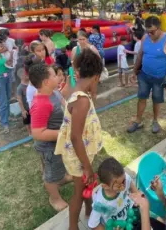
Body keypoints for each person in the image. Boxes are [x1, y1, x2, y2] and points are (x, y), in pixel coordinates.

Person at [54, 49, 103, 229]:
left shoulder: (77, 91)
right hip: (78, 156)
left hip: (81, 153)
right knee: (78, 192)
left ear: (78, 72)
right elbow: (75, 137)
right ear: (96, 77)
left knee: (86, 185)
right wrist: (88, 167)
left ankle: (90, 210)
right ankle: (73, 226)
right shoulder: (82, 100)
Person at [30, 63, 72, 211]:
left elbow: (63, 103)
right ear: (46, 82)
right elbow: (37, 133)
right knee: (50, 174)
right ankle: (54, 198)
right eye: (55, 75)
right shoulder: (41, 104)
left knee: (59, 165)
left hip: (57, 142)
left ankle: (61, 178)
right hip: (49, 146)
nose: (58, 76)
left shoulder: (53, 92)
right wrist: (65, 134)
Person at [127, 16, 166, 134]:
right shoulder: (145, 37)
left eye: (152, 32)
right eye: (147, 31)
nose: (149, 34)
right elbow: (140, 56)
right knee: (142, 98)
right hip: (144, 75)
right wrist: (134, 72)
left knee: (156, 99)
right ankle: (138, 121)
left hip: (159, 78)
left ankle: (155, 121)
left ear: (159, 28)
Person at [88, 157, 139, 229]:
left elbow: (133, 188)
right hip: (118, 226)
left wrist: (139, 200)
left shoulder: (124, 178)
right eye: (118, 186)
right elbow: (94, 225)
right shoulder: (100, 203)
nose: (123, 186)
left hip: (131, 215)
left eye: (123, 181)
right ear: (105, 186)